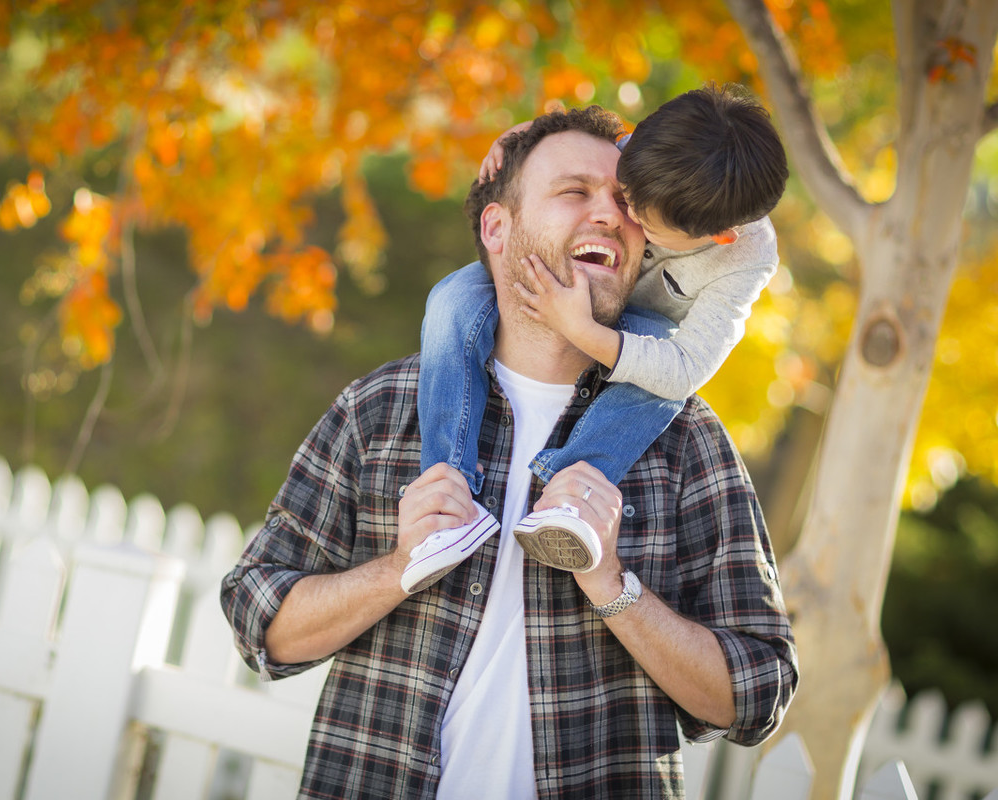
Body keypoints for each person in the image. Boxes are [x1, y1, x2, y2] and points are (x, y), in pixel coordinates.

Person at [221, 105, 797, 799]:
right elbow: (259, 620)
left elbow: (757, 693)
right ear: (497, 228)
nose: (614, 215)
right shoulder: (379, 410)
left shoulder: (687, 443)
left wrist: (613, 586)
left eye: (623, 202)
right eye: (573, 192)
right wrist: (398, 570)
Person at [409, 84, 787, 594]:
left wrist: (583, 331)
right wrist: (518, 137)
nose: (617, 214)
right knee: (450, 299)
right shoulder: (648, 148)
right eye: (628, 187)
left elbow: (685, 368)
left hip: (639, 337)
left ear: (719, 237)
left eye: (639, 216)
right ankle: (446, 491)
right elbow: (582, 137)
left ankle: (572, 494)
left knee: (659, 385)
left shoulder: (745, 257)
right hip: (570, 295)